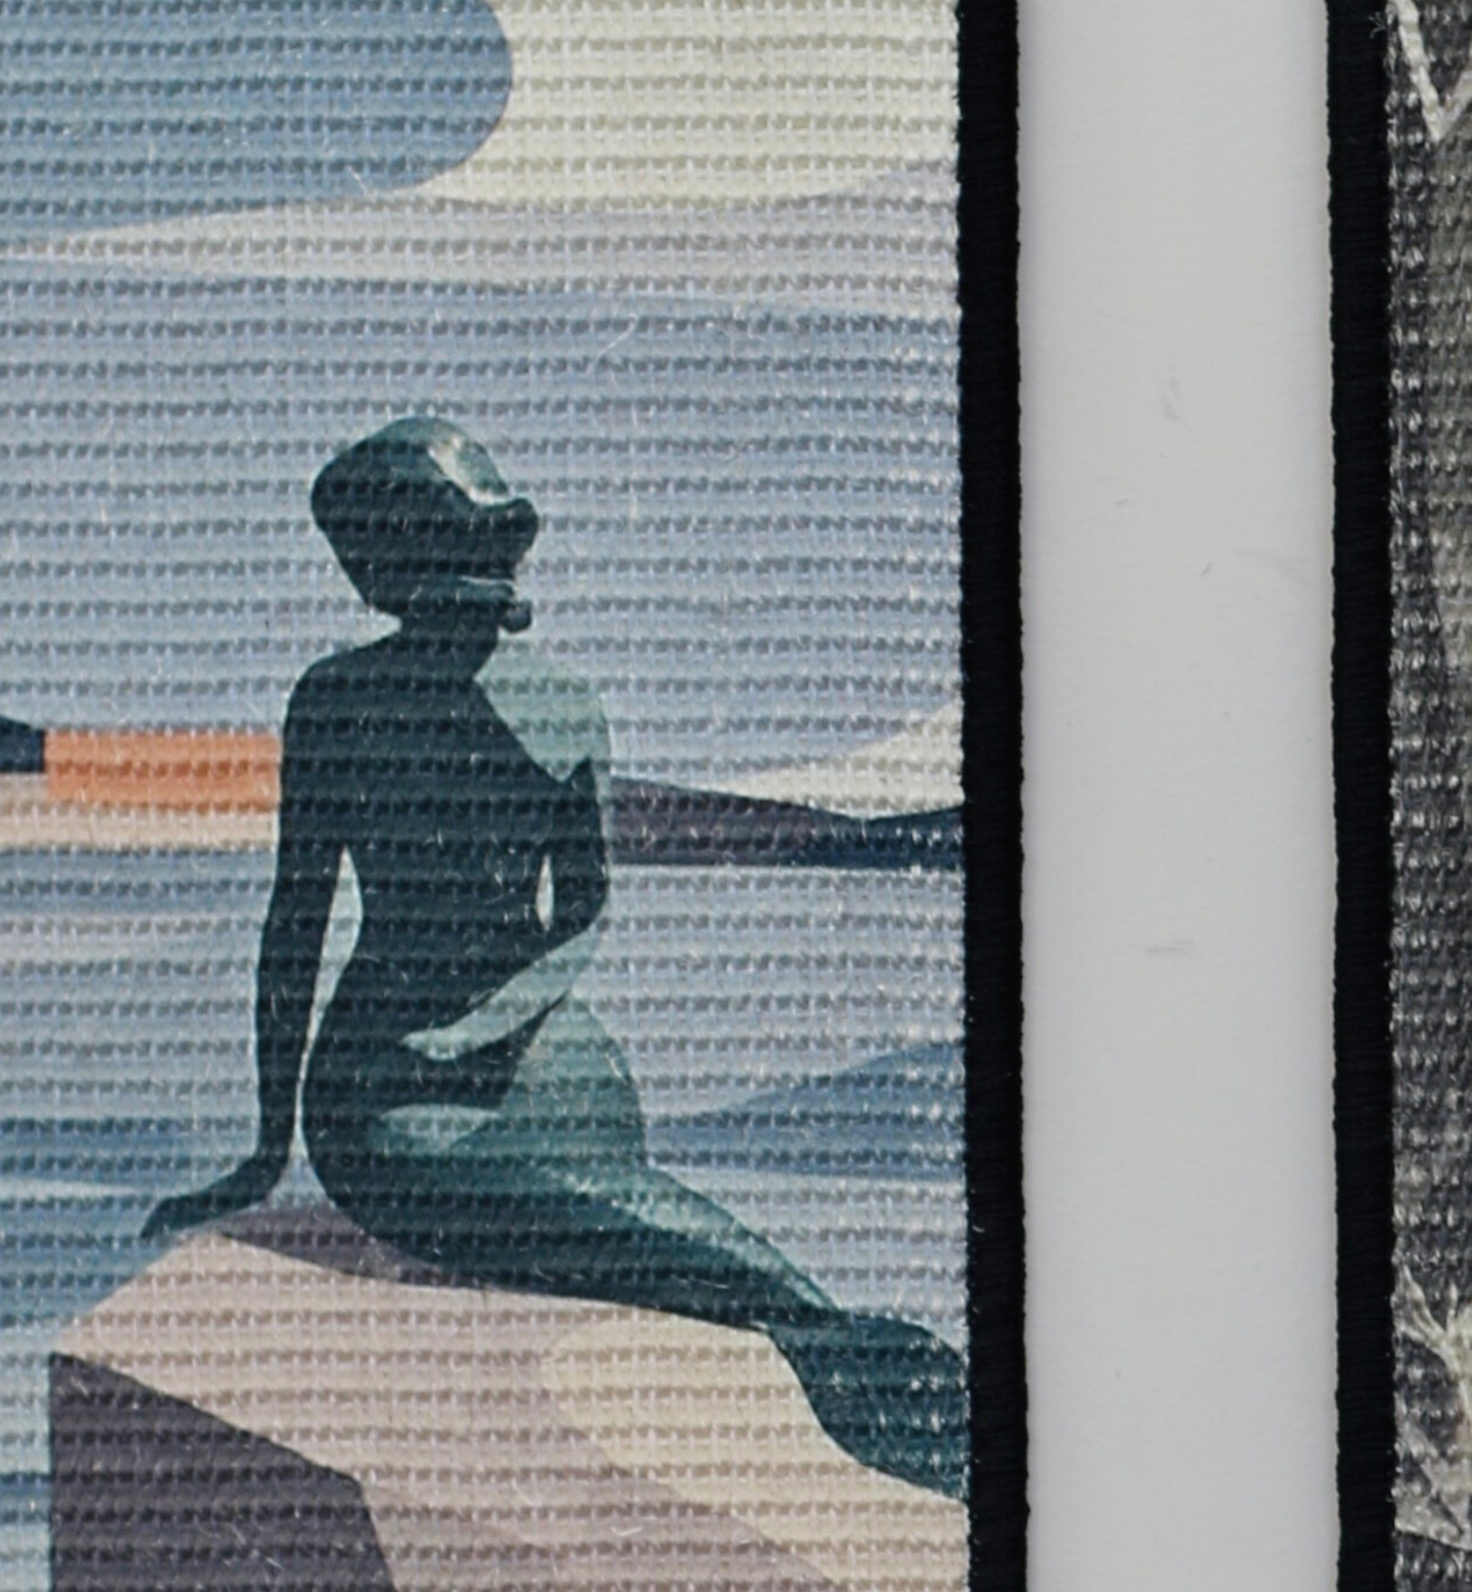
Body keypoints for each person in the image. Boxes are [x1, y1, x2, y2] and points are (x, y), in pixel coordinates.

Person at [148, 416, 966, 1501]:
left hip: (544, 1067)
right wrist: (265, 1149)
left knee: (604, 1201)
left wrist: (481, 1028)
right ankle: (820, 1328)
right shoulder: (340, 699)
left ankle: (822, 1333)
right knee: (572, 1206)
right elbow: (297, 918)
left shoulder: (555, 699)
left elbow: (581, 914)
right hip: (390, 1093)